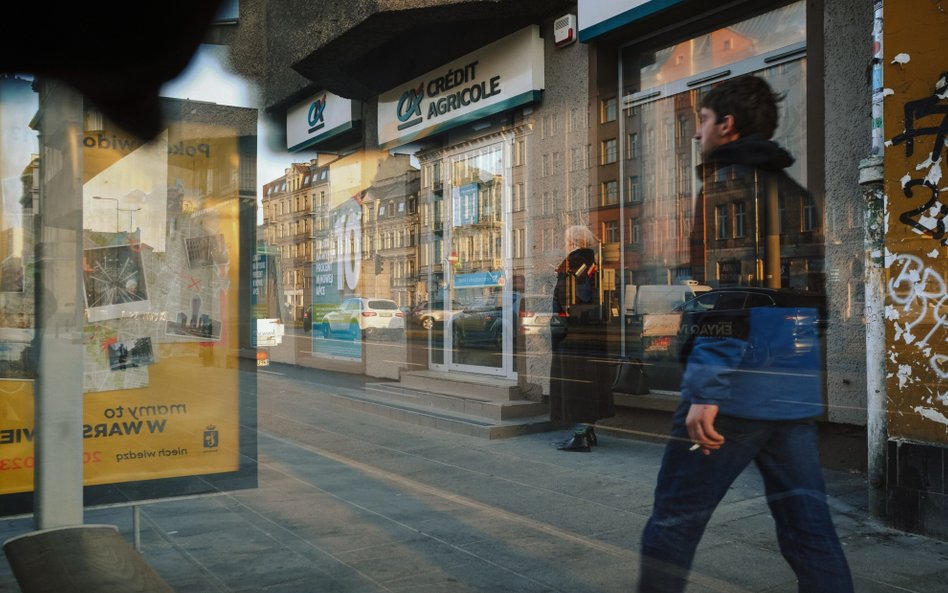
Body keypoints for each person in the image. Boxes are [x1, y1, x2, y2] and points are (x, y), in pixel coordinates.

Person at [636, 76, 854, 593]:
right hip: (790, 394)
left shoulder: (727, 186)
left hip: (732, 394)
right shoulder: (795, 193)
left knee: (672, 524)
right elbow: (813, 299)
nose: (697, 135)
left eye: (702, 122)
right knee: (809, 531)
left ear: (726, 126)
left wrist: (706, 389)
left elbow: (726, 294)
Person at [549, 224, 614, 451]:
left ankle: (580, 436)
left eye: (566, 241)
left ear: (572, 243)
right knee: (591, 383)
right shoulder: (594, 263)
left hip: (574, 337)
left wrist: (559, 331)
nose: (563, 244)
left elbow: (569, 301)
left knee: (576, 386)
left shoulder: (572, 264)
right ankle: (588, 431)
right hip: (594, 335)